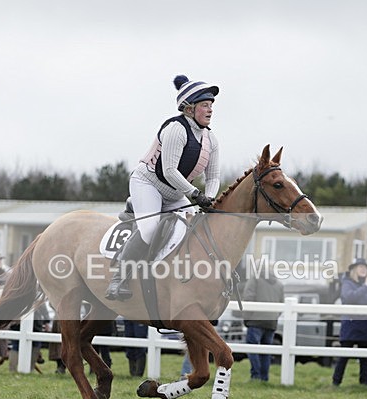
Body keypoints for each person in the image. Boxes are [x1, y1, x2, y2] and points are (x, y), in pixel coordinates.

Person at [105, 74, 221, 301]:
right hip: (148, 184)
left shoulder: (211, 139)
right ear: (189, 109)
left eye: (211, 106)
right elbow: (169, 171)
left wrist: (209, 199)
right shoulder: (176, 129)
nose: (210, 110)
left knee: (196, 229)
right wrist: (196, 194)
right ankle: (119, 278)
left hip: (176, 193)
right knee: (149, 230)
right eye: (204, 105)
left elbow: (214, 177)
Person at [332, 258, 367, 386]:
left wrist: (366, 287)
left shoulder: (366, 286)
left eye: (365, 268)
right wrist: (366, 286)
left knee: (364, 357)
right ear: (354, 269)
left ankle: (364, 383)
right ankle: (336, 382)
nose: (363, 270)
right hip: (350, 323)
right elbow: (350, 297)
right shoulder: (347, 283)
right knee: (344, 355)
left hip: (364, 324)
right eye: (360, 267)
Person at [243, 268, 284, 381]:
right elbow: (282, 305)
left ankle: (255, 376)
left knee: (252, 348)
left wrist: (247, 318)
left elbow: (248, 298)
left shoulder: (254, 279)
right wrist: (274, 317)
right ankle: (264, 378)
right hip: (271, 322)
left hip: (256, 320)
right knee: (266, 351)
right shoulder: (279, 284)